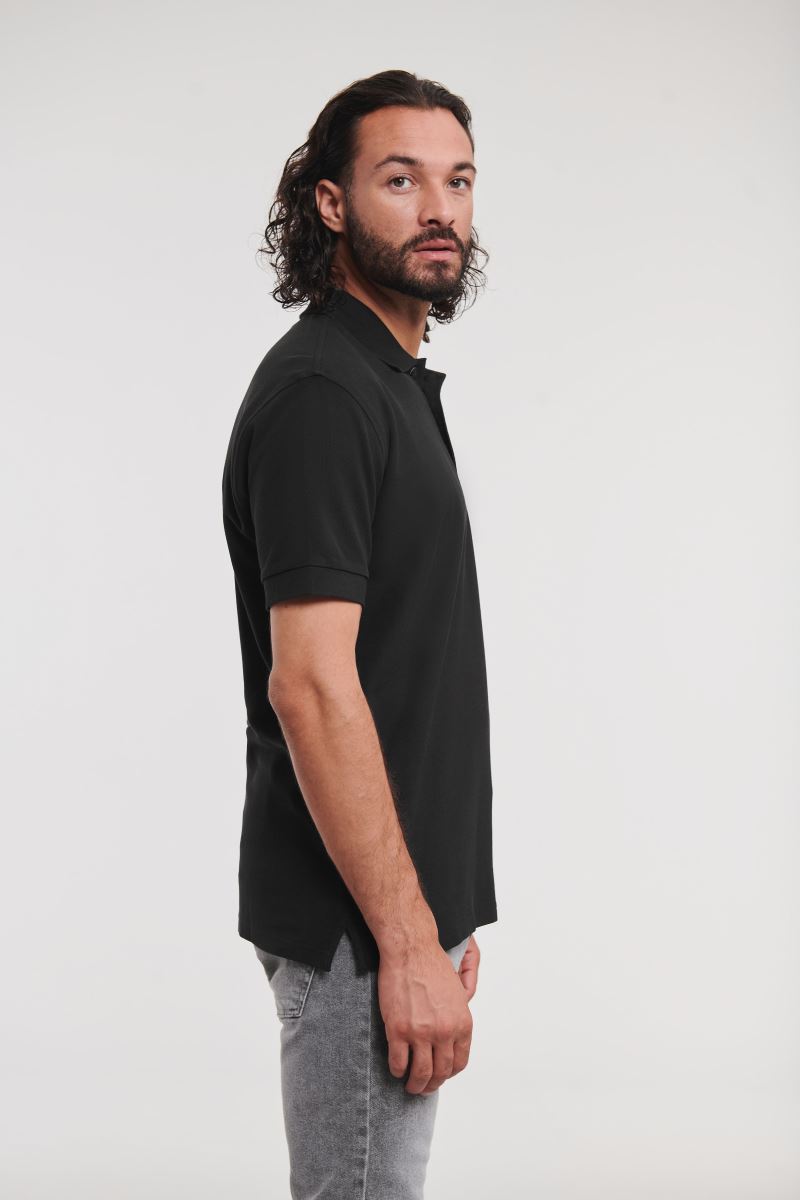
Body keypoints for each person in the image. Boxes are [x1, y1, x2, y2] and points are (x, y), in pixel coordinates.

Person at [221, 69, 497, 1198]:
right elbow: (311, 687)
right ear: (331, 204)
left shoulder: (382, 380)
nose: (439, 209)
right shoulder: (326, 395)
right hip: (357, 928)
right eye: (400, 180)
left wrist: (437, 911)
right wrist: (406, 937)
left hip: (389, 914)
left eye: (458, 181)